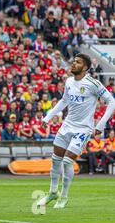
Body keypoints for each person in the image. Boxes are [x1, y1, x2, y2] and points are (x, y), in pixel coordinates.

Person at [38, 53, 115, 209]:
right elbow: (64, 101)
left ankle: (64, 197)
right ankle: (53, 192)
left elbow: (112, 101)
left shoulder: (93, 83)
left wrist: (100, 125)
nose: (73, 64)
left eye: (78, 62)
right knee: (55, 160)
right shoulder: (68, 81)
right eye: (73, 61)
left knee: (67, 161)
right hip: (67, 126)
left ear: (85, 67)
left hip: (83, 129)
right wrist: (48, 117)